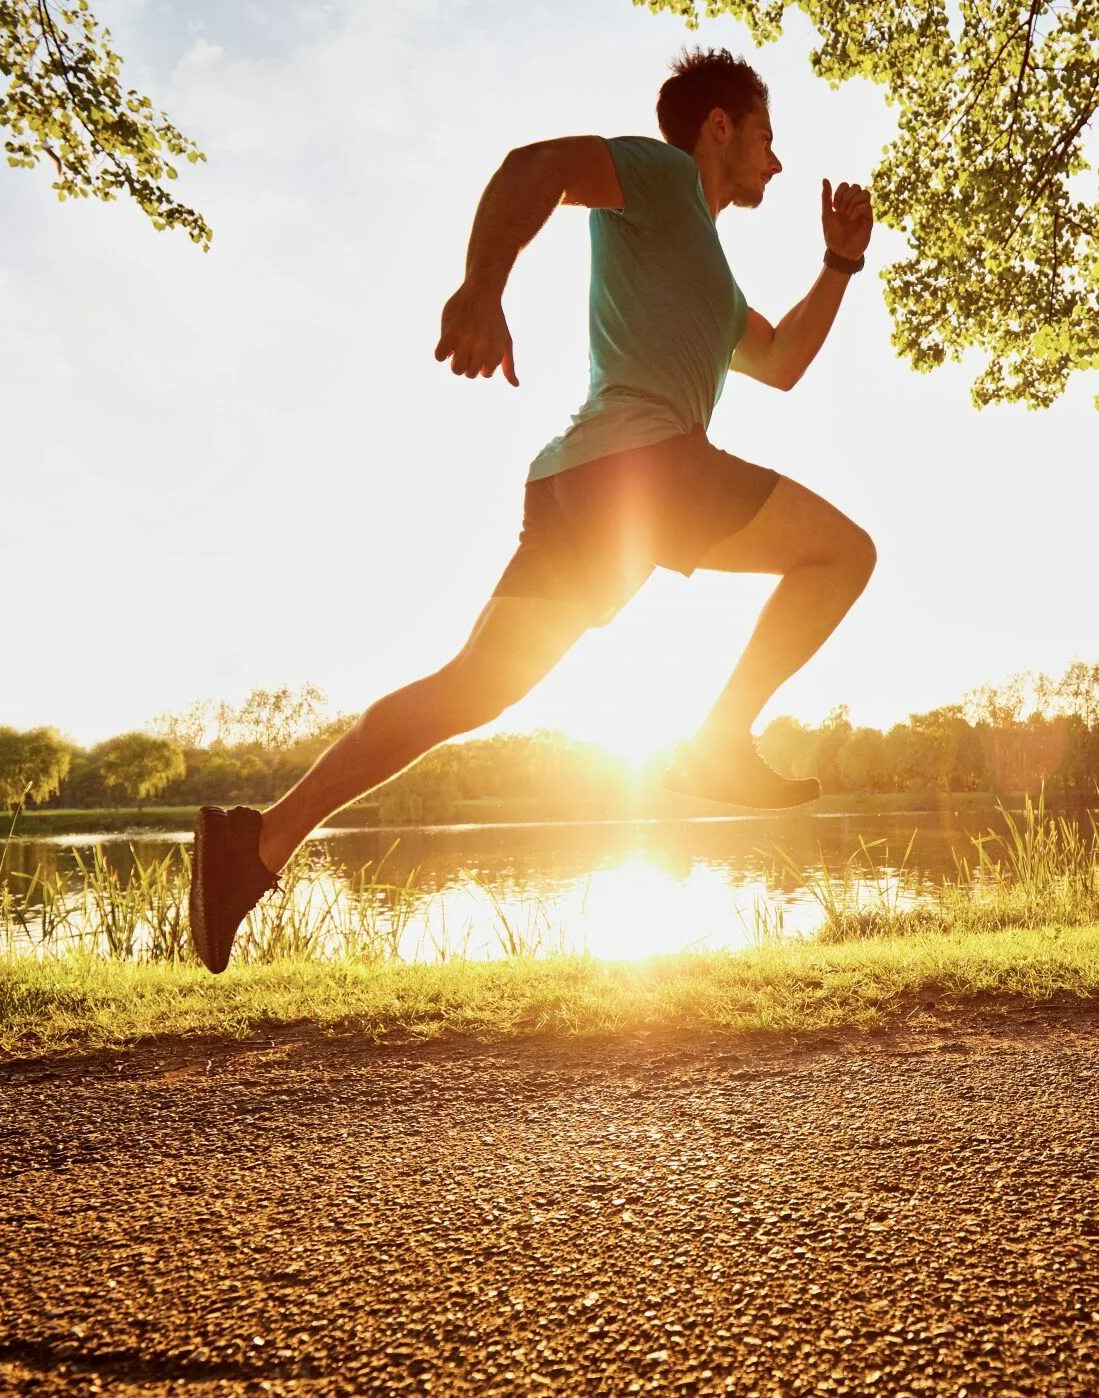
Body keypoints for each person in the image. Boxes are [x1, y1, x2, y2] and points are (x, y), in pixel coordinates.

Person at [189, 48, 878, 972]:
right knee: (844, 555)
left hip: (583, 483)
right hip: (650, 470)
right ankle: (719, 738)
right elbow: (536, 168)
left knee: (469, 690)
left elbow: (784, 362)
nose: (777, 163)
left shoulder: (709, 274)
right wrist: (484, 285)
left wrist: (838, 262)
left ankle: (257, 844)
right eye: (766, 137)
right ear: (719, 125)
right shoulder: (660, 172)